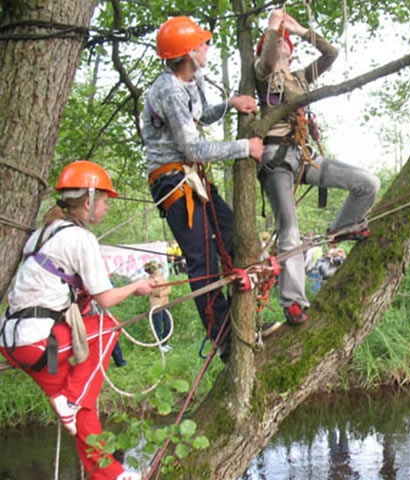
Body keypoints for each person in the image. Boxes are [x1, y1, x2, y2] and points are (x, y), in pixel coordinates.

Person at [0, 160, 153, 480]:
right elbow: (106, 299)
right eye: (105, 201)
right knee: (107, 328)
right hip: (42, 345)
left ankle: (107, 473)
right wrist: (137, 287)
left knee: (80, 410)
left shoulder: (43, 234)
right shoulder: (81, 239)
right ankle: (72, 398)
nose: (107, 207)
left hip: (17, 343)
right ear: (88, 202)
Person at [142, 16, 265, 357]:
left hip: (192, 177)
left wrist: (229, 105)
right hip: (173, 182)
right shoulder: (167, 89)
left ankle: (248, 318)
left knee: (234, 235)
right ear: (187, 53)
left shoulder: (191, 80)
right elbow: (192, 148)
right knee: (204, 261)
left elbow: (200, 116)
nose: (207, 48)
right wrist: (245, 148)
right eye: (202, 44)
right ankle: (225, 338)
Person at [254, 10, 381, 325]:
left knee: (367, 182)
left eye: (286, 42)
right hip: (276, 159)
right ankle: (294, 301)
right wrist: (273, 26)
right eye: (278, 41)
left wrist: (299, 30)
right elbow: (268, 60)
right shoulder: (263, 73)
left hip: (304, 155)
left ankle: (344, 226)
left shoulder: (300, 77)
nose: (283, 44)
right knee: (290, 233)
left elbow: (331, 54)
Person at [144, 260, 173, 352]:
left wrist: (163, 292)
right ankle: (160, 344)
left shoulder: (162, 278)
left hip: (165, 303)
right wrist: (159, 288)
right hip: (156, 305)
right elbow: (156, 293)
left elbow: (169, 289)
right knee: (158, 326)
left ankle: (165, 343)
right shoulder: (150, 280)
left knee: (168, 325)